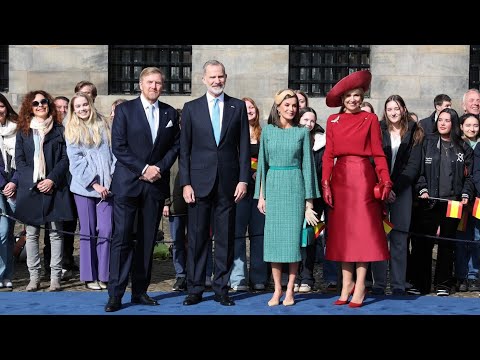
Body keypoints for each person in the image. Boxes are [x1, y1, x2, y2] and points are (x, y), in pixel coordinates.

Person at [105, 67, 180, 312]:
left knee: (147, 241)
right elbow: (119, 146)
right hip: (128, 185)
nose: (154, 86)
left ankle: (140, 291)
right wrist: (144, 168)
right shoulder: (125, 110)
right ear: (140, 84)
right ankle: (115, 294)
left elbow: (175, 146)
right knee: (122, 240)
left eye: (158, 83)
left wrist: (158, 168)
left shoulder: (170, 112)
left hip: (155, 187)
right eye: (150, 82)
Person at [179, 60, 250, 307]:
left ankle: (221, 288)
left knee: (225, 238)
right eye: (212, 77)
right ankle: (195, 288)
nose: (216, 81)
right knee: (197, 238)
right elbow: (184, 150)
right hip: (198, 184)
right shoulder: (190, 108)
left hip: (229, 185)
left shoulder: (237, 106)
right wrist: (185, 183)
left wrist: (243, 179)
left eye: (220, 76)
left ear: (226, 77)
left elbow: (243, 148)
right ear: (203, 79)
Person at [322, 70, 392, 307]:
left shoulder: (369, 119)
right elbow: (328, 155)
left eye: (357, 95)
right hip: (340, 180)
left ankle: (360, 285)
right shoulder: (332, 121)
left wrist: (385, 180)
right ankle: (346, 284)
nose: (353, 99)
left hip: (363, 178)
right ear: (342, 99)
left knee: (362, 235)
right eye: (349, 96)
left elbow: (378, 153)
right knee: (343, 235)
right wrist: (325, 183)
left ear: (362, 98)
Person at [254, 89, 320, 307]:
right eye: (287, 105)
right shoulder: (268, 132)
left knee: (292, 244)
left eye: (294, 105)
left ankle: (290, 289)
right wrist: (261, 196)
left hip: (294, 188)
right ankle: (277, 289)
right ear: (278, 106)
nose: (291, 109)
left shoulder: (301, 133)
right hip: (273, 187)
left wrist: (308, 203)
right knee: (273, 244)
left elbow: (308, 168)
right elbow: (262, 165)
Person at [14, 90, 76, 292]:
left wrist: (51, 179)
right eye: (35, 103)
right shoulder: (23, 132)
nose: (40, 105)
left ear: (48, 104)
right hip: (31, 189)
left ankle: (55, 277)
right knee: (31, 234)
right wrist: (35, 180)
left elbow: (66, 159)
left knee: (56, 234)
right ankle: (34, 277)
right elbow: (20, 160)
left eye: (43, 102)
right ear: (29, 108)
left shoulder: (59, 130)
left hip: (54, 188)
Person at [410, 108, 473, 296]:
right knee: (423, 244)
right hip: (429, 202)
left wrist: (465, 193)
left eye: (447, 120)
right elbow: (418, 170)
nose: (442, 123)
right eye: (440, 120)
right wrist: (422, 188)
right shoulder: (426, 142)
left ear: (453, 123)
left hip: (453, 204)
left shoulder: (463, 147)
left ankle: (443, 284)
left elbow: (469, 177)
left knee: (447, 245)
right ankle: (420, 284)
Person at [370, 95, 423, 296]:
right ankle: (379, 283)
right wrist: (384, 186)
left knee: (400, 237)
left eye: (396, 108)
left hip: (401, 190)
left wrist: (395, 188)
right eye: (389, 109)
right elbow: (373, 159)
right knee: (380, 236)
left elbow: (413, 166)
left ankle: (399, 284)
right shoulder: (378, 129)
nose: (393, 112)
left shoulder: (415, 132)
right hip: (379, 190)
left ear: (403, 109)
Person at [65, 92, 115, 291]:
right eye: (78, 106)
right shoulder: (71, 129)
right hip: (85, 188)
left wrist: (111, 180)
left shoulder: (104, 124)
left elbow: (114, 153)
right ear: (73, 109)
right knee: (87, 231)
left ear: (90, 104)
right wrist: (94, 184)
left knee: (106, 230)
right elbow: (75, 162)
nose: (82, 109)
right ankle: (89, 276)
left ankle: (105, 274)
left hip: (108, 188)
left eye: (85, 104)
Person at [229, 97, 268, 292]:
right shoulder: (234, 134)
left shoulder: (265, 134)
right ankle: (238, 278)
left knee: (259, 235)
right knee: (236, 235)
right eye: (245, 108)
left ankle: (259, 277)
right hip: (239, 192)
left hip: (260, 192)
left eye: (251, 107)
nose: (249, 110)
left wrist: (260, 172)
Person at [294, 106, 327, 293]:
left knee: (310, 237)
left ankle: (307, 276)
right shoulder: (292, 138)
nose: (309, 124)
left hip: (316, 198)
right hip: (294, 195)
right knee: (294, 237)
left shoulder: (321, 144)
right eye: (305, 120)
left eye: (312, 121)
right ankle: (294, 275)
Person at [456, 113, 480, 292]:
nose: (472, 129)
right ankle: (460, 275)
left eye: (475, 125)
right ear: (462, 126)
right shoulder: (457, 144)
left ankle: (473, 275)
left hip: (478, 200)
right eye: (468, 125)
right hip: (461, 201)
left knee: (477, 238)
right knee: (461, 238)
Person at [0, 94, 18, 291]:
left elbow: (22, 159)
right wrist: (5, 184)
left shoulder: (17, 129)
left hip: (14, 186)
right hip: (1, 187)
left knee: (10, 231)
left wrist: (14, 183)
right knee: (3, 231)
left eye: (1, 106)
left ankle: (7, 275)